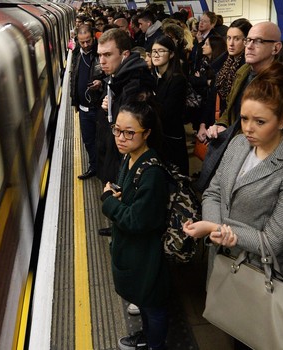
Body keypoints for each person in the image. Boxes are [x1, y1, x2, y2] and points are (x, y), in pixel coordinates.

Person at [182, 61, 283, 308]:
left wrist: (214, 228)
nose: (248, 128)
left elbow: (273, 242)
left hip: (264, 276)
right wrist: (217, 230)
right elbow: (213, 192)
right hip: (224, 263)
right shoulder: (238, 144)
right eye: (244, 118)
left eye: (260, 122)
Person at [101, 101, 170, 350]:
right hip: (133, 250)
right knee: (144, 302)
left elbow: (136, 220)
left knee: (153, 305)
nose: (121, 138)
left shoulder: (152, 173)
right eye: (117, 130)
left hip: (147, 255)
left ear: (147, 133)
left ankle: (155, 345)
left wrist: (108, 202)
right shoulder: (130, 158)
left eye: (129, 132)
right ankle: (147, 337)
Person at [195, 21, 282, 193]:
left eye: (258, 41)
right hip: (234, 144)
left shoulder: (280, 82)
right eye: (248, 40)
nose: (249, 46)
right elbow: (231, 109)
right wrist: (222, 124)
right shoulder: (243, 71)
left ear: (276, 48)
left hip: (255, 154)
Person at [97, 28, 156, 236]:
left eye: (107, 55)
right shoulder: (117, 78)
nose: (101, 61)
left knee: (128, 193)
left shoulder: (134, 83)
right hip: (121, 150)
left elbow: (131, 124)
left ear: (125, 55)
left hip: (131, 153)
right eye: (100, 55)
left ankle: (121, 229)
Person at [70, 25, 105, 179]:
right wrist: (75, 102)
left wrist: (101, 83)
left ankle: (106, 170)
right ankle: (94, 166)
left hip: (98, 107)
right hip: (83, 108)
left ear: (93, 37)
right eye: (82, 42)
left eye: (88, 41)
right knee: (88, 141)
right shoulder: (77, 53)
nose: (85, 45)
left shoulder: (101, 54)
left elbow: (110, 74)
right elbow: (74, 77)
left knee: (103, 141)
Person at [150, 36, 189, 175]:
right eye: (154, 51)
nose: (156, 54)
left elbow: (167, 111)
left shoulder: (178, 80)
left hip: (171, 136)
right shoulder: (154, 77)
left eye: (161, 51)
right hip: (158, 134)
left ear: (171, 54)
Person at [189, 35, 227, 139]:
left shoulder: (222, 69)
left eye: (206, 44)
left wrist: (202, 80)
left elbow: (212, 94)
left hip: (214, 112)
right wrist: (206, 81)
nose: (202, 47)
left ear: (214, 48)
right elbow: (192, 79)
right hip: (201, 106)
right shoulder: (203, 63)